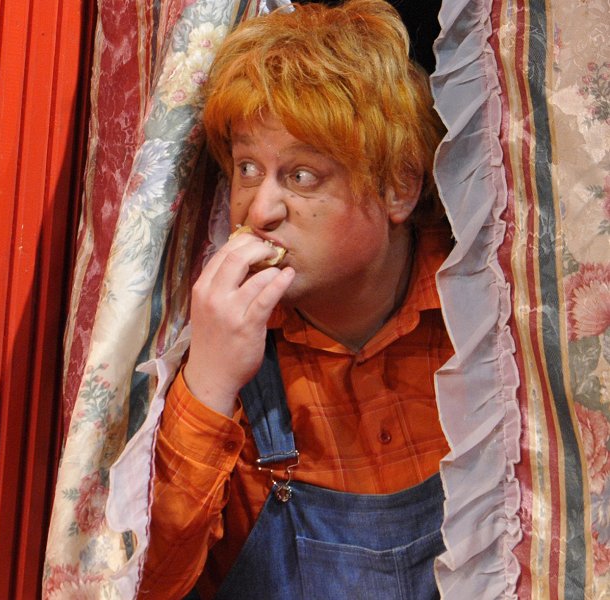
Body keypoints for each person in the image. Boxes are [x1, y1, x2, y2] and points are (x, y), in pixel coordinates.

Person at [139, 1, 452, 598]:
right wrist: (209, 381)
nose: (259, 210)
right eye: (247, 169)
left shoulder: (489, 324)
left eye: (302, 175)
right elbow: (148, 584)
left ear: (399, 187)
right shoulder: (229, 342)